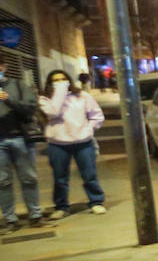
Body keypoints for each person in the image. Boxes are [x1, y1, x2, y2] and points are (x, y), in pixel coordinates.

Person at [38, 69, 106, 218]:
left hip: (83, 141)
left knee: (89, 174)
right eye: (56, 80)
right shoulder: (45, 99)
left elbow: (97, 116)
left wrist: (88, 130)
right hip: (58, 143)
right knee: (60, 177)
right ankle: (61, 206)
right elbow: (53, 113)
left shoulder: (82, 96)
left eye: (63, 79)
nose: (60, 82)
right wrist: (60, 92)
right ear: (50, 83)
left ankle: (96, 201)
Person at [0, 56, 43, 231]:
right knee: (2, 182)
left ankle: (35, 215)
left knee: (29, 179)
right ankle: (10, 220)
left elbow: (30, 109)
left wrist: (8, 99)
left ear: (3, 66)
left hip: (20, 138)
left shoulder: (18, 85)